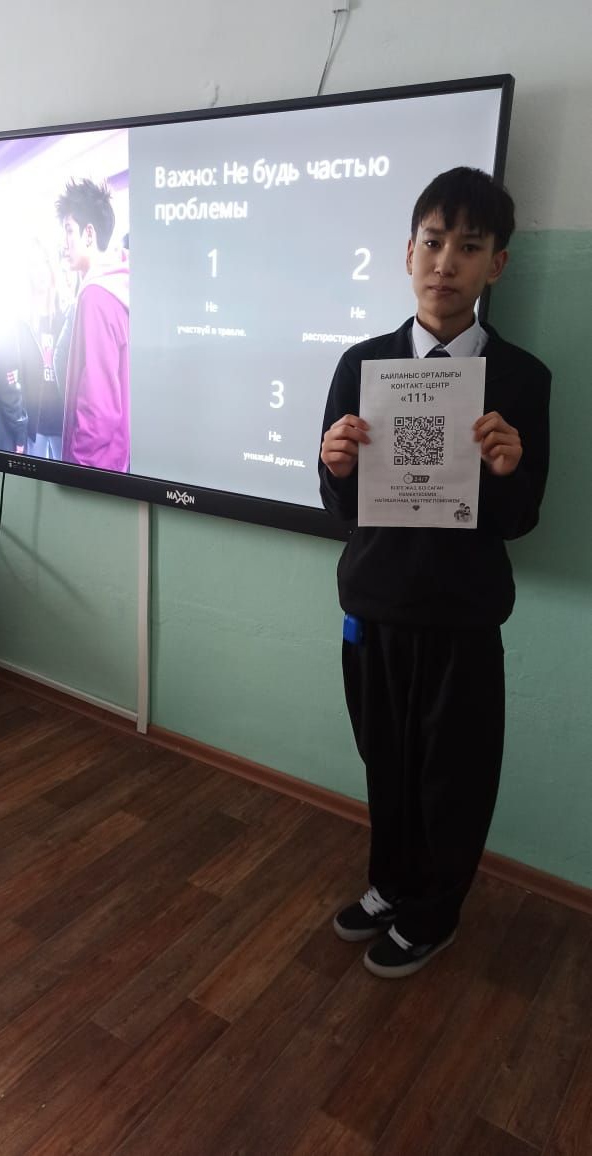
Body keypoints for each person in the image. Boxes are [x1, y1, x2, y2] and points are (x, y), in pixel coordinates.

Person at [319, 167, 551, 979]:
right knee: (385, 761)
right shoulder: (362, 364)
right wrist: (335, 464)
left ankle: (435, 911)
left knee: (452, 773)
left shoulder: (522, 378)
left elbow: (522, 517)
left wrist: (510, 470)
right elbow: (339, 506)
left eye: (469, 246)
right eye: (433, 241)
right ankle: (391, 884)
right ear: (407, 252)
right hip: (375, 603)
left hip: (461, 613)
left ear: (497, 265)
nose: (446, 262)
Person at [55, 178, 130, 471]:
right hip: (117, 460)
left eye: (69, 230)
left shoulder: (96, 295)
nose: (64, 243)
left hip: (93, 467)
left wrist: (77, 466)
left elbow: (99, 406)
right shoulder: (121, 280)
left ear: (88, 234)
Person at [0, 238, 65, 458]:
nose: (40, 270)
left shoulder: (67, 315)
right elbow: (10, 379)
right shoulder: (20, 322)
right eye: (34, 264)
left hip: (63, 424)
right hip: (34, 427)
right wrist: (20, 428)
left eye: (44, 262)